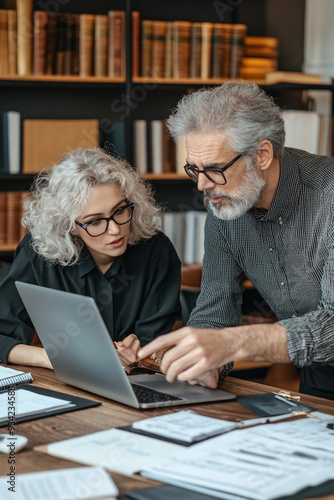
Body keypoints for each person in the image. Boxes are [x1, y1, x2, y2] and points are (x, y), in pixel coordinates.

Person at [138, 81, 334, 400]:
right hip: (320, 376)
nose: (202, 185)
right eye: (194, 169)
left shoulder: (329, 197)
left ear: (262, 155)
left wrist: (233, 343)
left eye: (215, 169)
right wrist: (205, 364)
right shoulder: (225, 204)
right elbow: (216, 308)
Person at [0, 147, 181, 370]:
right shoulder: (38, 253)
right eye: (95, 221)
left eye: (120, 211)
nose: (115, 229)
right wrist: (56, 358)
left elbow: (152, 346)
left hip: (133, 381)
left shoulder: (157, 251)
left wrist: (142, 350)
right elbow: (2, 336)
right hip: (64, 379)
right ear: (70, 226)